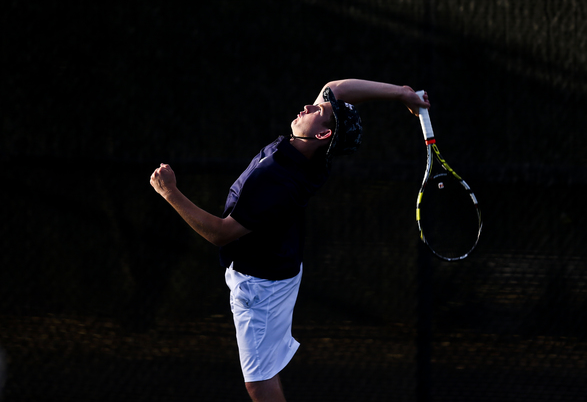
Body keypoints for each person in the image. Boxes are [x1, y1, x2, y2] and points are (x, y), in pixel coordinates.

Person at [150, 79, 430, 402]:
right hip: (280, 266)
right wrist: (400, 94)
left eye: (319, 111)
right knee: (264, 372)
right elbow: (335, 87)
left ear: (323, 134)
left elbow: (221, 232)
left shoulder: (278, 180)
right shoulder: (313, 154)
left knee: (258, 382)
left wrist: (169, 192)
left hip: (261, 288)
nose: (310, 105)